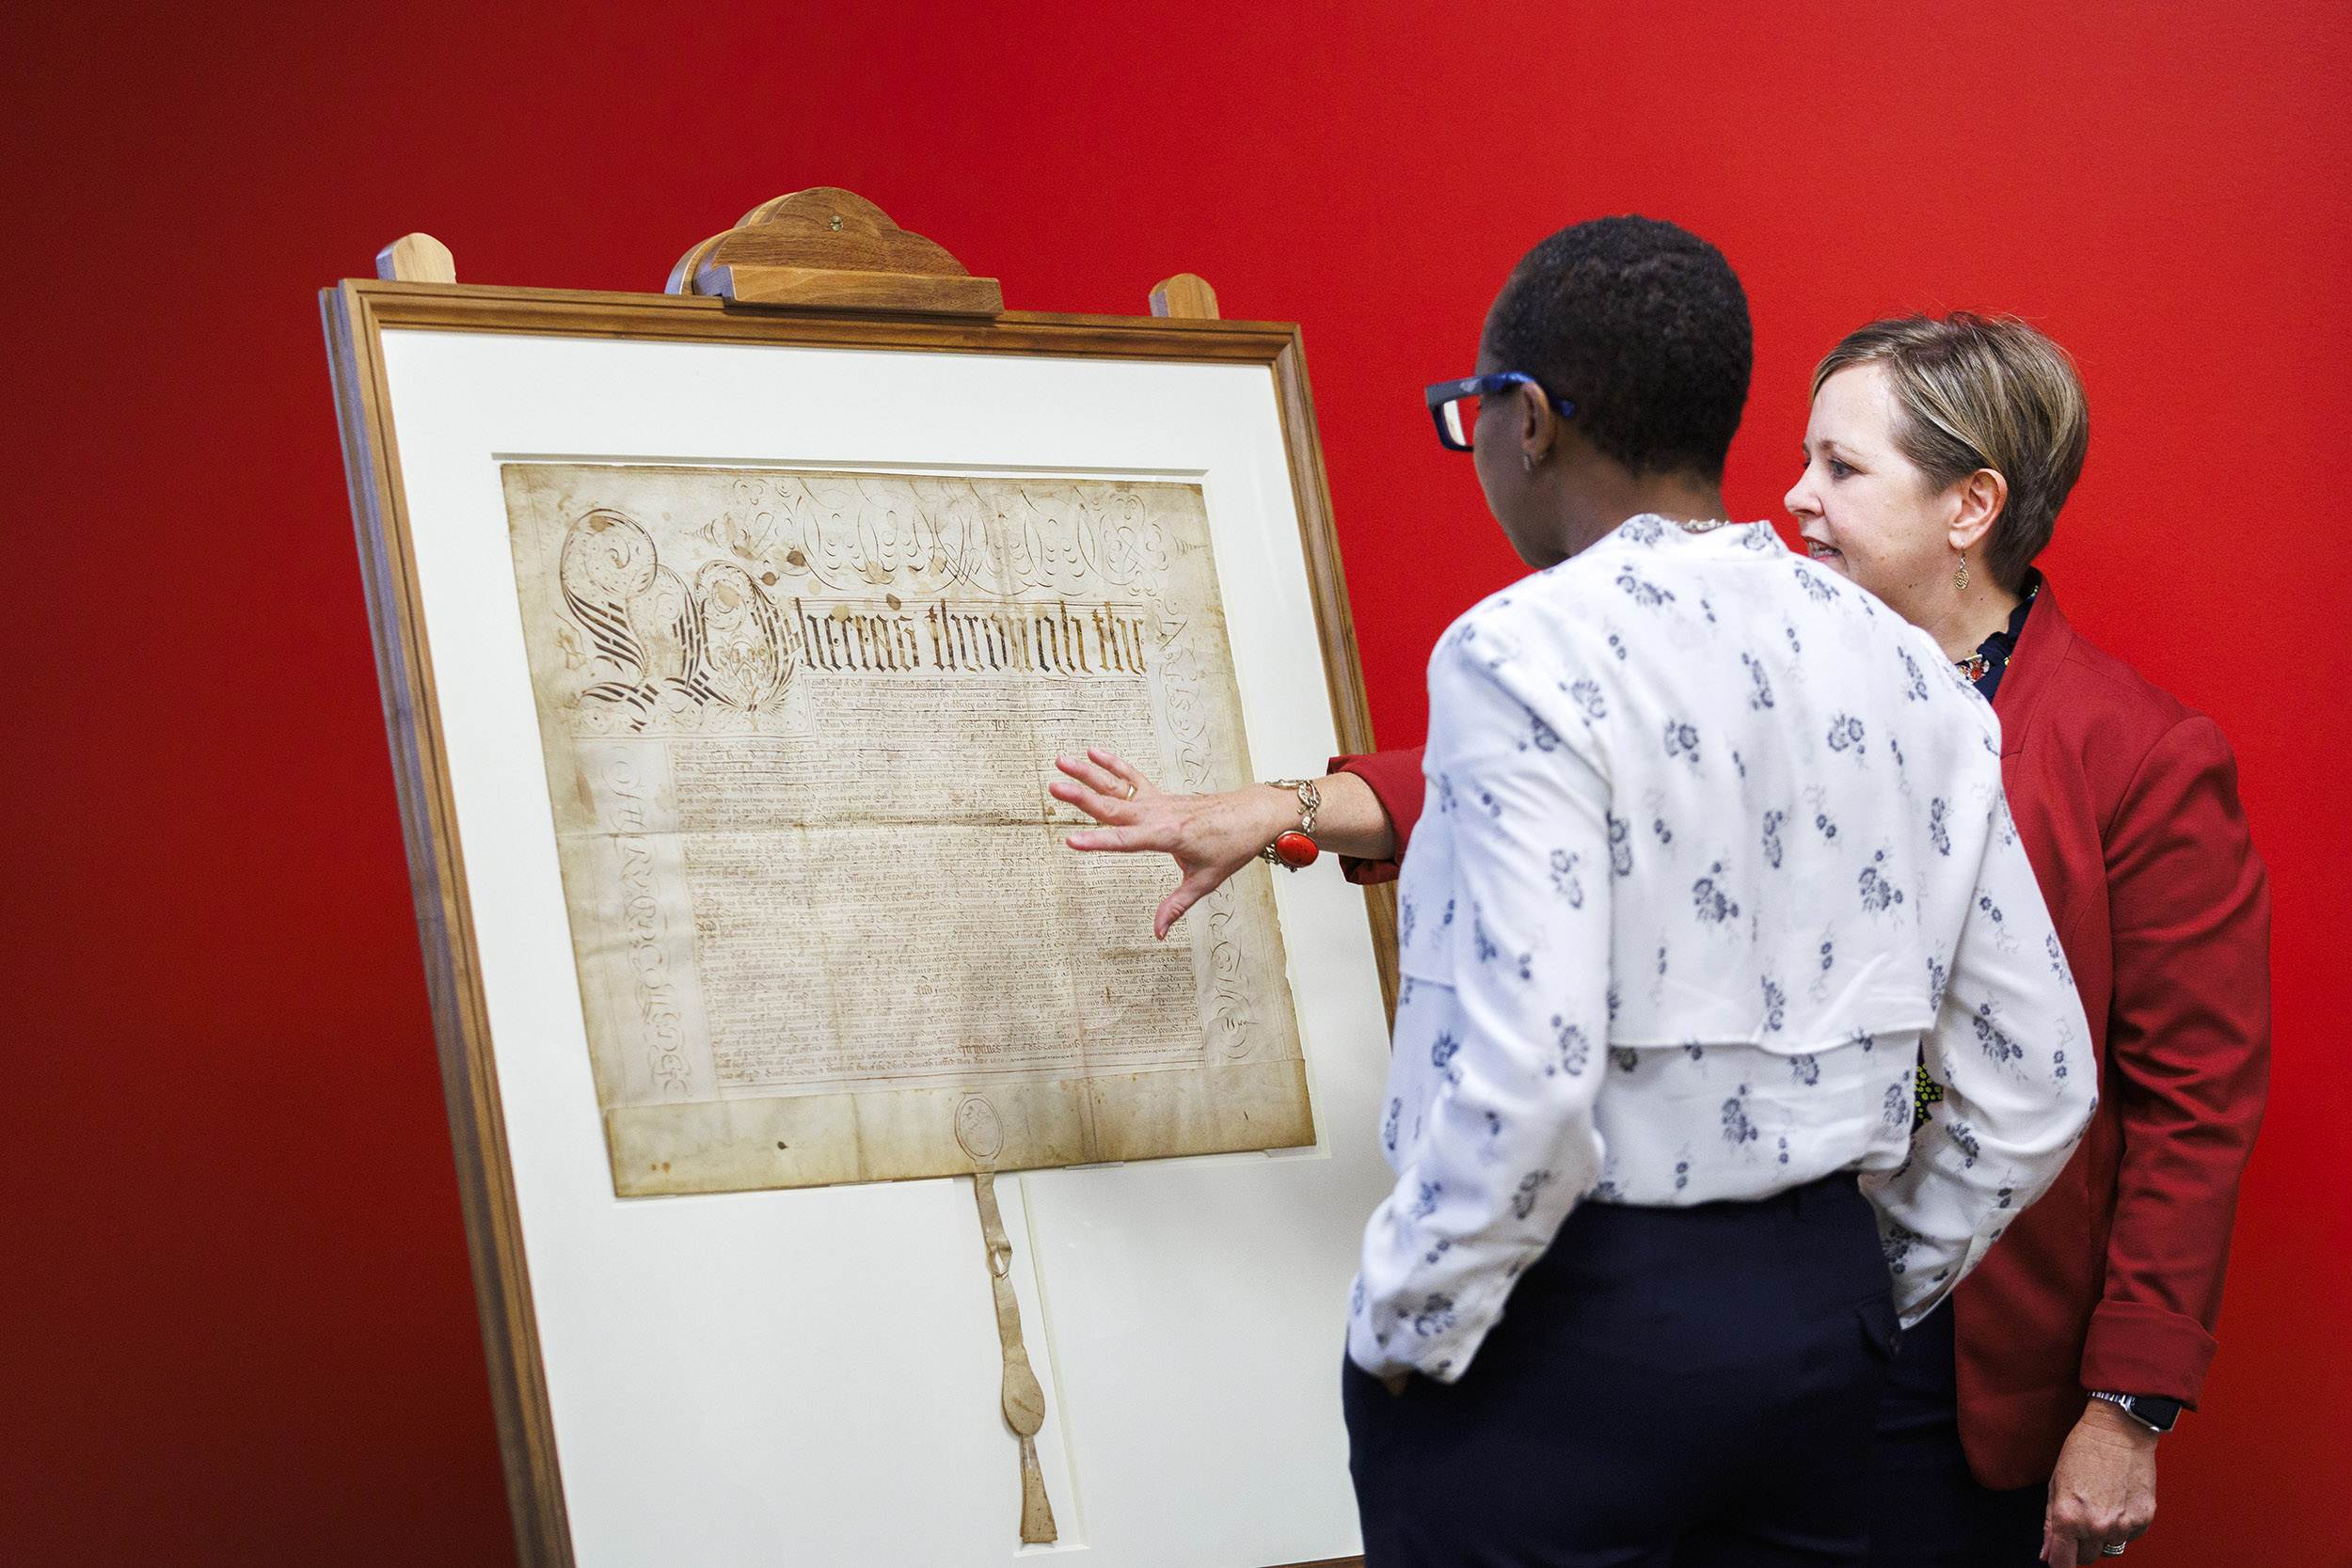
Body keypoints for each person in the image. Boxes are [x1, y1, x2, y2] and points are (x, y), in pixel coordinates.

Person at [1052, 217, 2096, 1566]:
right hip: (1818, 1331)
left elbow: (1531, 1075)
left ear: (1526, 419)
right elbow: (2039, 1078)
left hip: (1571, 1327)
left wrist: (1406, 1321)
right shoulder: (1908, 670)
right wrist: (1859, 1290)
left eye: (1469, 416)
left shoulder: (1520, 650)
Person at [1784, 314, 2269, 1567]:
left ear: (1971, 507)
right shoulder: (1766, 687)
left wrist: (2128, 1406)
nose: (1795, 498)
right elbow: (1576, 765)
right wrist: (1304, 806)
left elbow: (2194, 1106)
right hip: (1742, 1323)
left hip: (1949, 1370)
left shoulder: (2138, 753)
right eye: (1806, 461)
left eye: (1841, 468)